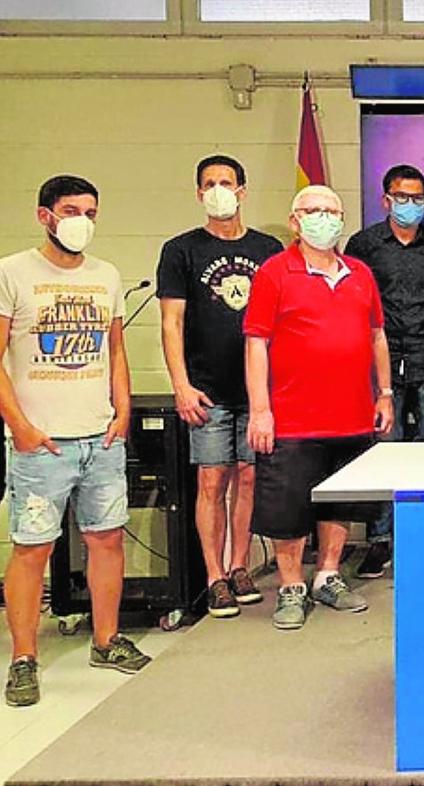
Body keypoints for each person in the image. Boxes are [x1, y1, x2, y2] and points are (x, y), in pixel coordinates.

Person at [2, 175, 150, 708]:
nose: (81, 220)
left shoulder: (105, 275)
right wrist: (20, 425)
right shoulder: (12, 273)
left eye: (90, 210)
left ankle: (106, 640)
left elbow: (114, 350)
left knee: (107, 538)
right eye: (70, 209)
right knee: (32, 546)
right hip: (42, 443)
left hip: (100, 435)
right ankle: (24, 658)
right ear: (45, 214)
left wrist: (123, 411)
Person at [243, 185, 394, 631]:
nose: (323, 218)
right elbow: (257, 342)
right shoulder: (274, 273)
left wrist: (383, 392)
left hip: (351, 415)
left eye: (332, 211)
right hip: (291, 418)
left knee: (340, 505)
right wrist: (260, 409)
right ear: (295, 221)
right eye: (313, 211)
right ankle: (291, 586)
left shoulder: (361, 273)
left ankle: (328, 576)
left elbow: (376, 336)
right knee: (289, 507)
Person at [157, 155, 282, 617]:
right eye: (208, 183)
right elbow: (171, 323)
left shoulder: (269, 248)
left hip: (256, 391)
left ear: (243, 190)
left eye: (226, 182)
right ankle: (214, 578)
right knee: (212, 480)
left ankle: (239, 565)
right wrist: (181, 386)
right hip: (206, 389)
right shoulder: (181, 250)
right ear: (197, 193)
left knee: (249, 478)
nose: (218, 190)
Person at [344, 164, 424, 579]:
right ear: (386, 200)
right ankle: (380, 542)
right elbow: (355, 306)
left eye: (418, 198)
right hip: (382, 373)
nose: (410, 205)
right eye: (402, 197)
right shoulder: (364, 245)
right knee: (383, 457)